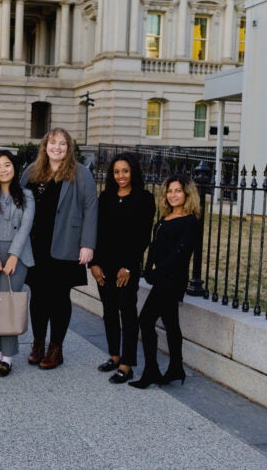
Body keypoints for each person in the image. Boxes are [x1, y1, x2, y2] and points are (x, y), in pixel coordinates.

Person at [21, 127, 97, 370]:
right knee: (38, 297)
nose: (57, 148)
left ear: (69, 148)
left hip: (66, 244)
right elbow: (16, 201)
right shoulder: (32, 172)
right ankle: (38, 344)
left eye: (63, 144)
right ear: (45, 145)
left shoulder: (81, 173)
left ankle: (56, 348)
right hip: (35, 246)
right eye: (53, 143)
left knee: (59, 297)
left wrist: (87, 244)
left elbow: (90, 209)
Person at [130, 175, 200, 389]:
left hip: (172, 280)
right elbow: (154, 246)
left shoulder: (190, 221)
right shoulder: (165, 218)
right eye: (170, 191)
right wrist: (149, 268)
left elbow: (179, 254)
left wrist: (158, 273)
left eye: (178, 191)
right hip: (161, 278)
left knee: (145, 320)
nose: (173, 195)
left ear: (187, 194)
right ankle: (176, 367)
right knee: (171, 323)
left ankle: (151, 370)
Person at [90, 153, 155, 384]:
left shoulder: (144, 198)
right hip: (104, 265)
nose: (121, 176)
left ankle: (127, 363)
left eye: (125, 171)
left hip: (127, 267)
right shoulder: (106, 197)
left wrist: (128, 266)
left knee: (127, 312)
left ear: (133, 171)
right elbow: (96, 232)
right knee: (108, 311)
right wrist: (94, 263)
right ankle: (114, 356)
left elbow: (142, 236)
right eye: (117, 172)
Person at [0, 150, 35, 377]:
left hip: (17, 255)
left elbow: (26, 227)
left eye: (7, 165)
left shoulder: (27, 195)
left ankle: (8, 357)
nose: (3, 170)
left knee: (9, 305)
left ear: (14, 167)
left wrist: (13, 256)